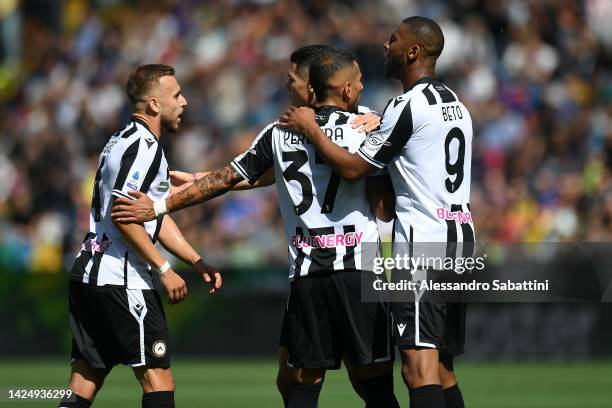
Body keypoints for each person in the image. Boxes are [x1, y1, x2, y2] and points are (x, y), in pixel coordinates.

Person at [111, 49, 400, 408]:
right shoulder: (368, 126)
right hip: (361, 269)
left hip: (311, 274)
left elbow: (228, 177)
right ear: (344, 89)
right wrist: (380, 119)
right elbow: (383, 198)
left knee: (303, 384)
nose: (286, 84)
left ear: (311, 87)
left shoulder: (278, 133)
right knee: (376, 385)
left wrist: (160, 203)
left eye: (291, 78)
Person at [278, 17, 472, 408]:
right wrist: (379, 122)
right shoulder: (455, 104)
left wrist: (312, 128)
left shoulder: (406, 105)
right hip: (460, 238)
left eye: (394, 40)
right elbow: (415, 143)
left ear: (413, 51)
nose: (385, 46)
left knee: (417, 370)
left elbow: (352, 169)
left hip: (422, 243)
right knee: (442, 368)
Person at [59, 64, 222, 408]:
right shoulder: (145, 148)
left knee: (85, 379)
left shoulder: (122, 140)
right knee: (158, 378)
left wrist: (195, 259)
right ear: (153, 104)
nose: (185, 101)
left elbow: (153, 215)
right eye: (176, 95)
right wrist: (164, 268)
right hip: (122, 278)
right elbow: (124, 215)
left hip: (90, 273)